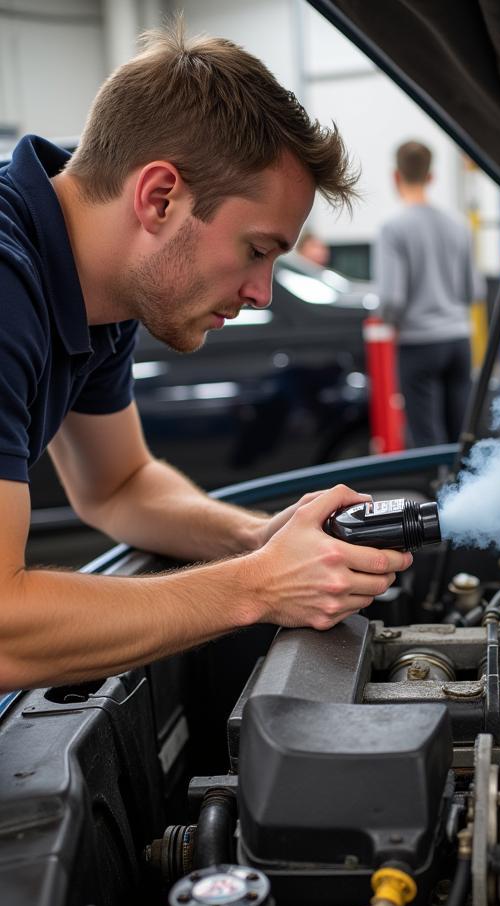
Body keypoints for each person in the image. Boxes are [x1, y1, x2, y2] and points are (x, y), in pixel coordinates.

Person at [0, 22, 411, 691]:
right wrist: (258, 587)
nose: (260, 292)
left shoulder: (96, 286)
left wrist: (257, 540)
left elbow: (119, 485)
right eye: (257, 249)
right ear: (160, 198)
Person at [377, 141, 483, 448]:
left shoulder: (393, 229)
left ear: (396, 176)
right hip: (458, 341)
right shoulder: (459, 227)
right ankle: (465, 494)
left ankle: (437, 494)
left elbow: (391, 299)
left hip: (418, 343)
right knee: (459, 438)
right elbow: (472, 290)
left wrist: (390, 321)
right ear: (431, 177)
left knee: (427, 440)